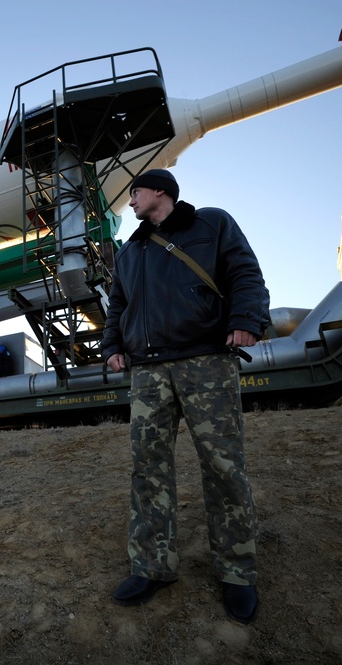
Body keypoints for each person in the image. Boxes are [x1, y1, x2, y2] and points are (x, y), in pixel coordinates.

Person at [99, 168, 270, 624]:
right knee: (147, 469)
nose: (129, 201)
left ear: (159, 191)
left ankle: (237, 571)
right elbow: (118, 305)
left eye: (134, 192)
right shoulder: (130, 251)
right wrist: (113, 347)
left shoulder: (211, 223)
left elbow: (244, 272)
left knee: (222, 465)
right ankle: (152, 566)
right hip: (148, 372)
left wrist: (247, 318)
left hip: (206, 360)